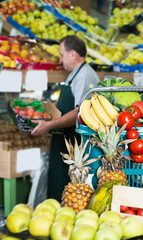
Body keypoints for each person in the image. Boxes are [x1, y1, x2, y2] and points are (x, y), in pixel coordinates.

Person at [31, 35, 100, 200]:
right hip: (64, 140)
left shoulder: (84, 75)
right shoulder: (75, 73)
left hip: (75, 142)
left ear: (73, 54)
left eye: (62, 55)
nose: (60, 60)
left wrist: (49, 125)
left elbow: (80, 112)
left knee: (67, 188)